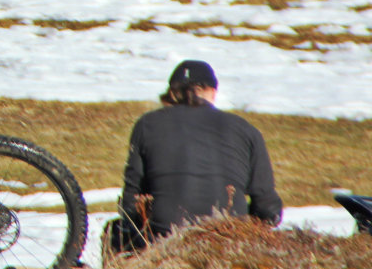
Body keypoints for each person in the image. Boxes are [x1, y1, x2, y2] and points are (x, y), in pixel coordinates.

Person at [107, 59, 282, 253]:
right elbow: (268, 210)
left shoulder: (147, 124)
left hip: (165, 243)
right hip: (230, 242)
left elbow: (131, 205)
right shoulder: (246, 130)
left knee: (114, 231)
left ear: (172, 93)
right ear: (213, 92)